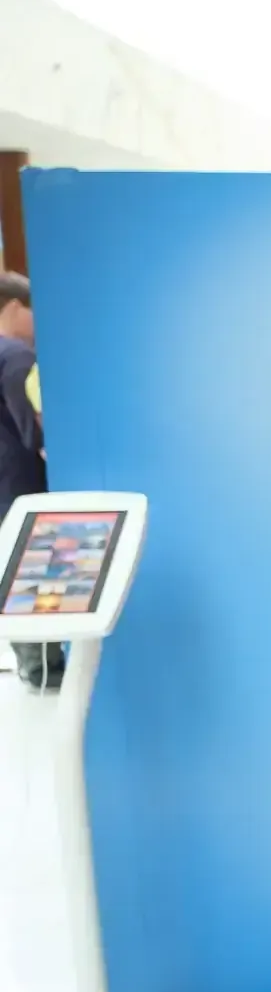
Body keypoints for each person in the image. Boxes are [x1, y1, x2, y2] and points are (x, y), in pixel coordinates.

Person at [0, 275, 59, 691]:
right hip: (21, 487)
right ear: (16, 306)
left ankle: (31, 666)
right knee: (33, 573)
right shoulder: (17, 356)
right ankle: (45, 667)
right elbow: (35, 431)